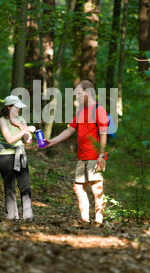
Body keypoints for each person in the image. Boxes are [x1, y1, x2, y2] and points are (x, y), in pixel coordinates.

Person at [45, 80, 108, 224]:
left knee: (96, 189)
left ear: (88, 93)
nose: (77, 97)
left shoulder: (99, 110)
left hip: (95, 156)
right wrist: (52, 141)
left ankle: (99, 222)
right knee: (78, 188)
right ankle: (85, 221)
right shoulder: (80, 111)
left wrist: (101, 155)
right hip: (82, 156)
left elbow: (103, 134)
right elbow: (70, 130)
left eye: (79, 94)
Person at [0, 95, 36, 221]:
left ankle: (28, 216)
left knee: (25, 186)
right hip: (6, 156)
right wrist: (24, 129)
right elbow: (9, 140)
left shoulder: (21, 119)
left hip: (20, 155)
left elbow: (28, 140)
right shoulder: (2, 120)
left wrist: (22, 127)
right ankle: (11, 216)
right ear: (9, 107)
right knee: (10, 188)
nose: (19, 109)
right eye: (16, 107)